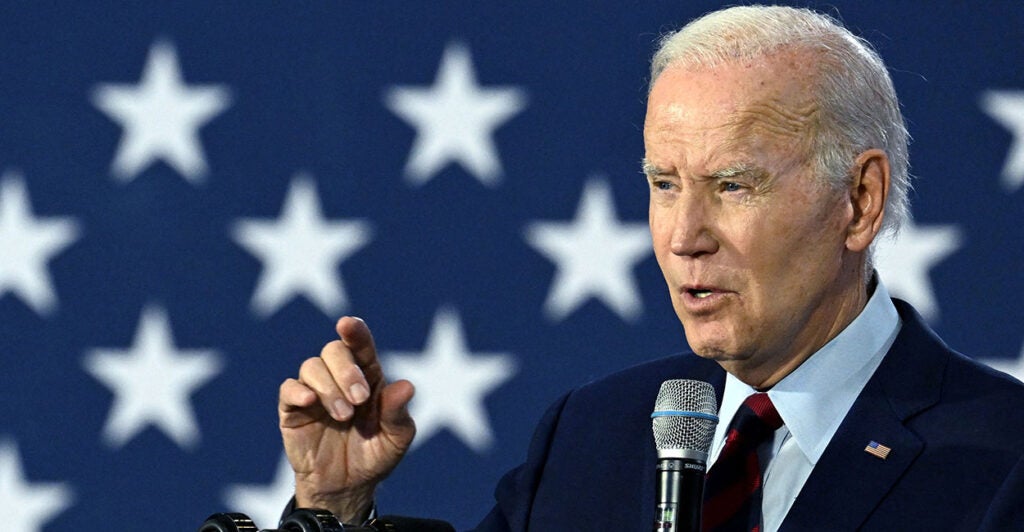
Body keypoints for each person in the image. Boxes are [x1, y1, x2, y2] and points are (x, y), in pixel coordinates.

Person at [277, 5, 1024, 531]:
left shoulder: (1005, 462)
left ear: (859, 202)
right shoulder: (591, 436)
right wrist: (332, 506)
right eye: (664, 185)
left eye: (733, 184)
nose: (684, 236)